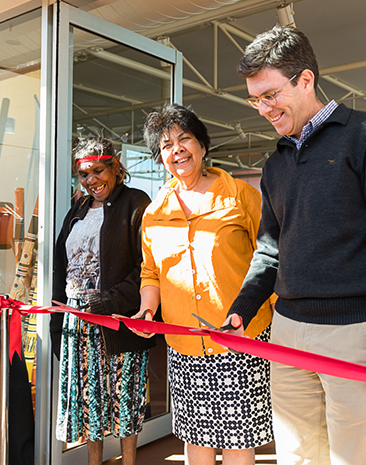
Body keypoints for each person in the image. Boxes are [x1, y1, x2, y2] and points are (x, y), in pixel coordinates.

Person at [222, 26, 366, 465]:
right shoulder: (274, 164)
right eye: (255, 99)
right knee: (296, 457)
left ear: (306, 80)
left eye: (271, 94)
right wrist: (242, 306)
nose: (263, 108)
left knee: (360, 458)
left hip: (354, 333)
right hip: (288, 331)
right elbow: (271, 249)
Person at [134, 103, 274, 465]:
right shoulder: (154, 212)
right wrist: (148, 310)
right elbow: (151, 273)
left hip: (240, 338)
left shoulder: (241, 195)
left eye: (185, 139)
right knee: (196, 439)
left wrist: (277, 314)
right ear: (160, 157)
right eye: (166, 145)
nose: (177, 149)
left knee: (238, 439)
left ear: (202, 146)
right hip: (184, 342)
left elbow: (271, 257)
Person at [49, 136, 154, 465]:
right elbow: (60, 264)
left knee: (124, 398)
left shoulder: (136, 202)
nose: (92, 179)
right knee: (88, 399)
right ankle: (93, 462)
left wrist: (110, 301)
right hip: (76, 319)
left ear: (115, 166)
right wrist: (58, 311)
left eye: (98, 170)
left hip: (116, 318)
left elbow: (148, 266)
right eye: (84, 174)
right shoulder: (77, 208)